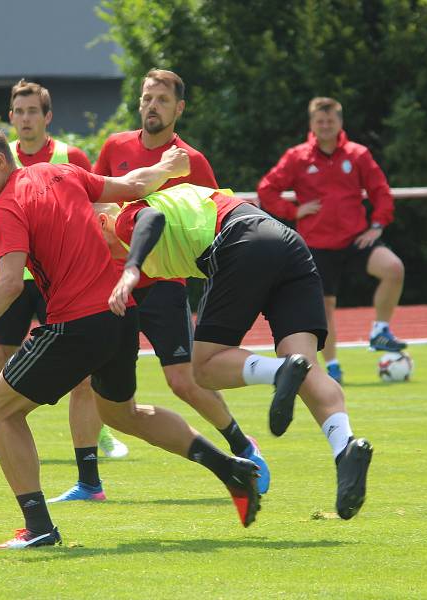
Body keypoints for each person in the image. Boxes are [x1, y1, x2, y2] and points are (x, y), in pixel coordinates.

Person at [0, 123, 262, 549]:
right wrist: (167, 164)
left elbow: (9, 282)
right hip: (119, 316)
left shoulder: (7, 206)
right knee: (123, 414)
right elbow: (133, 184)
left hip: (76, 324)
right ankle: (231, 468)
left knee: (0, 409)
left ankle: (39, 527)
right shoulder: (58, 172)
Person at [49, 68, 271, 504]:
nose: (153, 106)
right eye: (147, 98)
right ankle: (89, 483)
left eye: (162, 101)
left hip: (165, 285)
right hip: (116, 284)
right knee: (87, 381)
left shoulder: (192, 160)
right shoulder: (116, 146)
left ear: (179, 109)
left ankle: (243, 446)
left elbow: (214, 223)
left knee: (184, 382)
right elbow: (96, 197)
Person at [104, 182, 374, 521]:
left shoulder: (126, 216)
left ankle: (279, 371)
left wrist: (130, 267)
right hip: (286, 242)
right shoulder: (152, 240)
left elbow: (151, 219)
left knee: (203, 368)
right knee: (309, 369)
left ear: (102, 222)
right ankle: (345, 447)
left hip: (239, 240)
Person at [0, 79, 129, 462]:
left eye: (33, 110)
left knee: (83, 366)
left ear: (46, 116)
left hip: (62, 282)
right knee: (1, 355)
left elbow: (97, 201)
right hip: (17, 275)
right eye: (19, 111)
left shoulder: (68, 157)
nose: (26, 117)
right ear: (11, 116)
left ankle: (97, 434)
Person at [257, 97, 406, 385]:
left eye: (330, 121)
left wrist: (377, 225)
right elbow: (267, 189)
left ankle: (380, 330)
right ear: (312, 123)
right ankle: (334, 366)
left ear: (340, 122)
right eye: (320, 121)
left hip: (356, 239)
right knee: (324, 308)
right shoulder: (297, 157)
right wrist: (293, 211)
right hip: (316, 243)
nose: (325, 126)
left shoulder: (358, 154)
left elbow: (381, 191)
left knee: (394, 269)